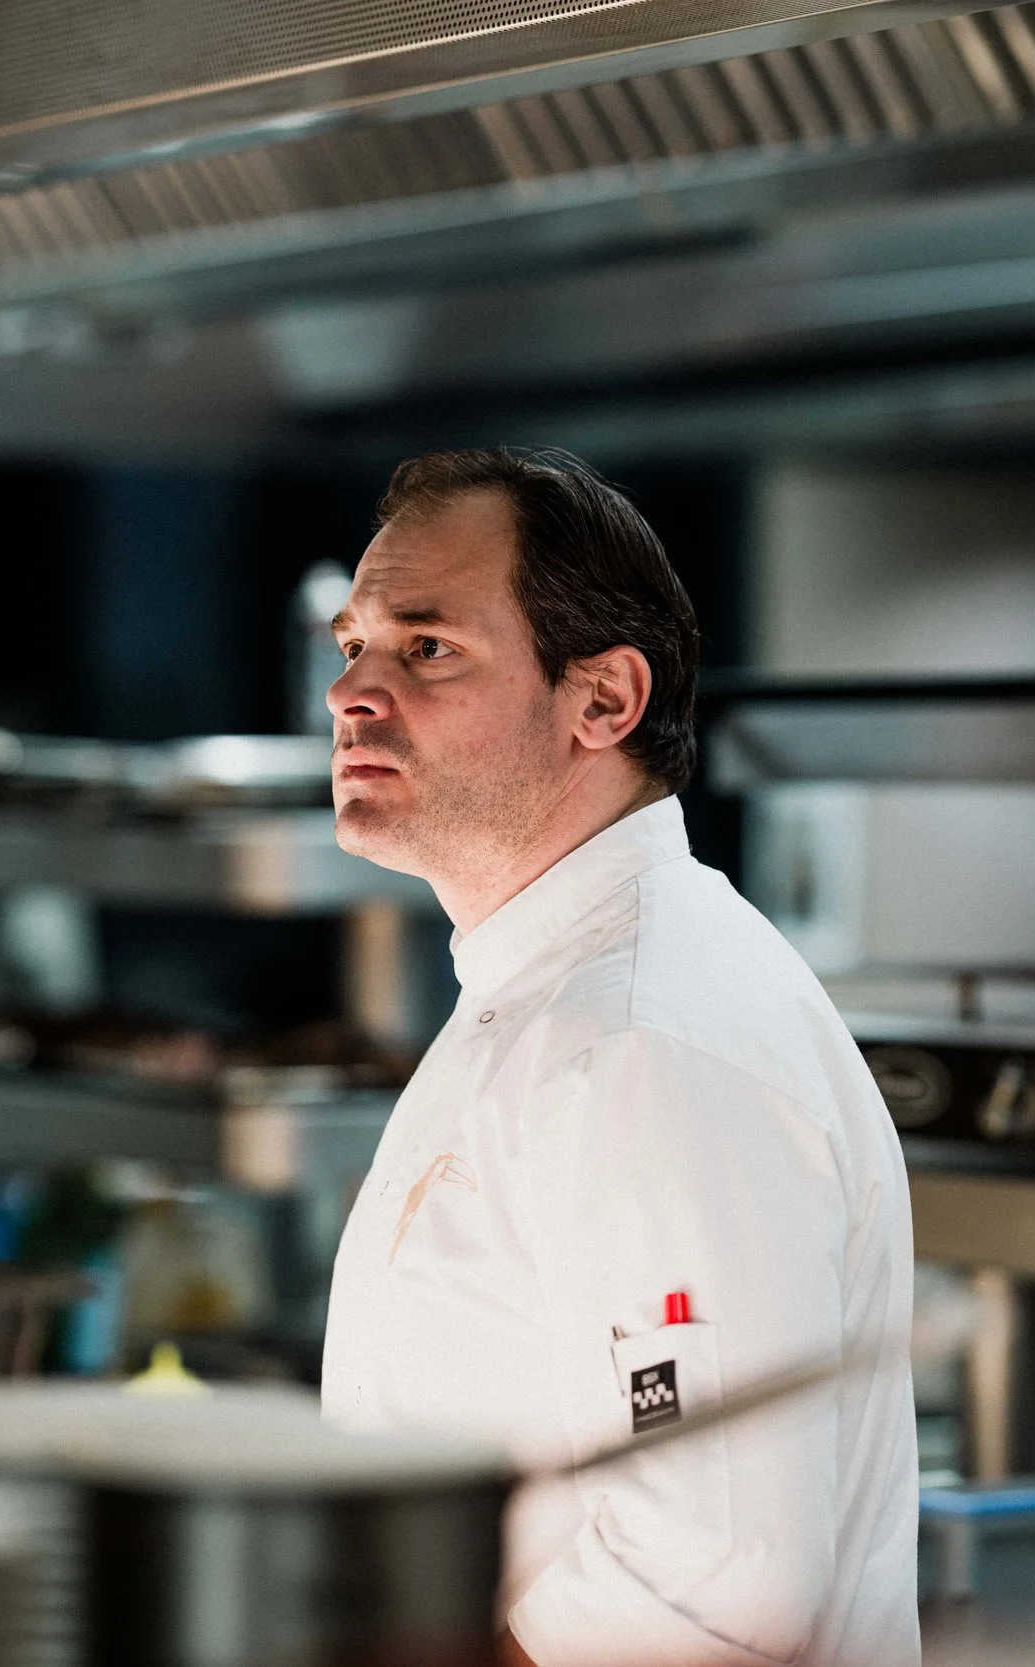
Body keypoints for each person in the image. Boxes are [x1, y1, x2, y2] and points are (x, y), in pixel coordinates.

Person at [317, 449, 919, 1667]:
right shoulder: (548, 987)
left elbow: (707, 1601)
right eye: (352, 647)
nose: (353, 692)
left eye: (427, 647)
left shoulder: (641, 1037)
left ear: (603, 701)